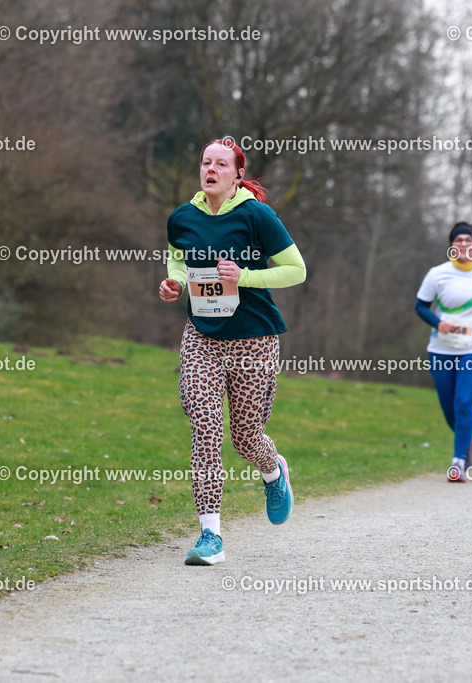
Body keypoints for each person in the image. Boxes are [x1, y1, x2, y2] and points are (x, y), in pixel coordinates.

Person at [159, 137, 306, 565]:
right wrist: (174, 282)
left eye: (221, 164)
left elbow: (295, 271)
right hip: (202, 337)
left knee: (244, 437)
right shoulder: (182, 218)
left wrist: (244, 276)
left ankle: (273, 469)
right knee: (204, 425)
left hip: (254, 340)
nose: (211, 169)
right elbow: (177, 260)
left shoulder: (257, 216)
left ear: (237, 174)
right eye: (205, 162)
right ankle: (210, 536)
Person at [415, 222, 472, 482]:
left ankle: (458, 463)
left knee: (464, 402)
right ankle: (469, 438)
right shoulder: (437, 274)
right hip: (442, 348)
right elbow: (421, 306)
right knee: (449, 408)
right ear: (451, 245)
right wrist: (438, 323)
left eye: (469, 240)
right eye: (459, 240)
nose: (464, 244)